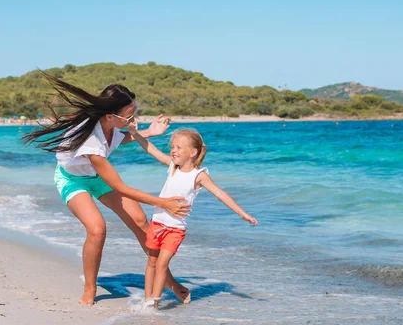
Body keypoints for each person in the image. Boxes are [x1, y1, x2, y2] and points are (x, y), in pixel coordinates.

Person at [22, 71, 191, 305]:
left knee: (141, 220)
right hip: (72, 179)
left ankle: (168, 281)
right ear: (111, 116)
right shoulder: (91, 141)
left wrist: (151, 132)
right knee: (97, 229)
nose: (132, 121)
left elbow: (119, 138)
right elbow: (120, 188)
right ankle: (90, 289)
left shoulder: (110, 126)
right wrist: (163, 202)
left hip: (95, 175)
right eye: (129, 116)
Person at [128, 125, 258, 308]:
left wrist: (241, 213)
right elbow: (152, 149)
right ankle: (147, 297)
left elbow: (219, 193)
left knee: (162, 264)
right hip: (157, 223)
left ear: (193, 152)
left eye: (178, 147)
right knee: (152, 261)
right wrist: (134, 134)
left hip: (175, 229)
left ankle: (154, 302)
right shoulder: (173, 167)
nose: (173, 151)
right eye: (172, 147)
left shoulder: (199, 175)